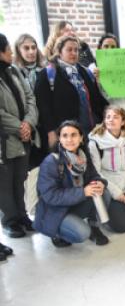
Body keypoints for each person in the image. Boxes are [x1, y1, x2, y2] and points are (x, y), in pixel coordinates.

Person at [33, 120, 110, 247]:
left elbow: (94, 176)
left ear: (81, 138)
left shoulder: (83, 156)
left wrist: (100, 183)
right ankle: (57, 233)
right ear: (59, 139)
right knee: (82, 233)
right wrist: (83, 192)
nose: (69, 139)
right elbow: (50, 196)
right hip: (54, 209)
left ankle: (94, 227)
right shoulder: (51, 162)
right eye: (65, 135)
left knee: (104, 193)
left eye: (74, 135)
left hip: (73, 202)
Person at [35, 35, 108, 149]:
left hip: (90, 130)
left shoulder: (85, 71)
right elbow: (43, 107)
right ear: (59, 52)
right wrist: (51, 131)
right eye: (69, 50)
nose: (74, 53)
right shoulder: (48, 74)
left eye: (76, 50)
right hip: (66, 134)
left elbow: (96, 99)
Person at [0, 33, 39, 238]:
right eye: (8, 48)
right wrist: (19, 127)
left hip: (24, 136)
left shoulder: (14, 70)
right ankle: (10, 221)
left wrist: (29, 123)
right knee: (4, 183)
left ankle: (22, 216)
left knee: (19, 179)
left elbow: (30, 97)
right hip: (5, 140)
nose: (11, 52)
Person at [13, 33, 46, 168]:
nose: (31, 51)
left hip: (44, 123)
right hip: (24, 124)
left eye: (34, 47)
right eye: (26, 48)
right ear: (18, 50)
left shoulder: (45, 70)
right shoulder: (13, 73)